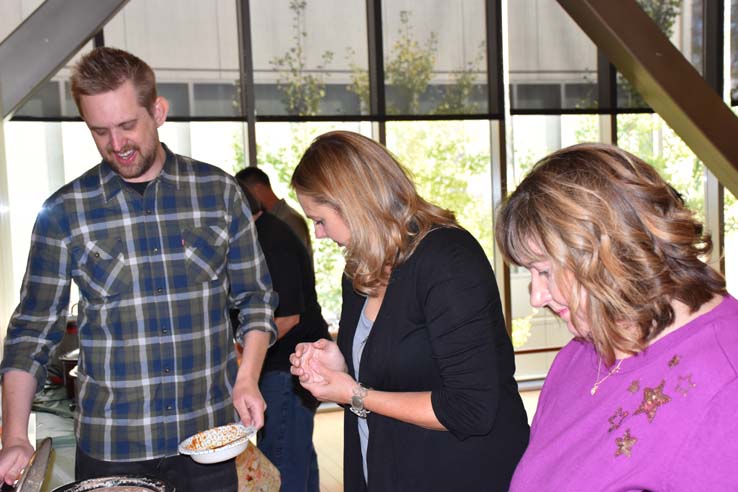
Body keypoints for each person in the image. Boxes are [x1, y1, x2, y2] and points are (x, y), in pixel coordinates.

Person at [0, 47, 278, 492]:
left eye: (128, 125)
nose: (117, 145)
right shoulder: (64, 212)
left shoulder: (219, 193)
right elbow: (32, 332)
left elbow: (256, 299)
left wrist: (247, 379)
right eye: (100, 131)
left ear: (158, 111)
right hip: (114, 447)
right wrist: (14, 435)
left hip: (207, 441)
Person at [288, 131, 530, 492]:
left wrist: (354, 394)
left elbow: (471, 408)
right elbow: (394, 367)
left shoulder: (449, 259)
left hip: (460, 472)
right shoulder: (360, 268)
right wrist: (339, 363)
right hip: (388, 466)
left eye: (319, 219)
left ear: (352, 203)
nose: (319, 234)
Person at [495, 143, 738, 491]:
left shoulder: (726, 384)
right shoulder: (582, 351)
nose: (537, 297)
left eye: (544, 272)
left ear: (607, 253)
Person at [234, 183, 329, 491]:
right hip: (283, 365)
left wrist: (243, 355)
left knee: (282, 462)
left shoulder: (271, 240)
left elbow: (286, 317)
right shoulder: (261, 234)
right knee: (297, 456)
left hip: (286, 368)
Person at [236, 167, 313, 260]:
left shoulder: (290, 220)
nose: (243, 201)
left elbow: (288, 264)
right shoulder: (262, 221)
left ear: (257, 189)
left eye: (244, 195)